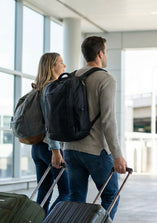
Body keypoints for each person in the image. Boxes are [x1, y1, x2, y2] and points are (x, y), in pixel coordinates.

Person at [62, 36, 128, 220]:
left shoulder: (71, 76)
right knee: (110, 195)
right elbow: (108, 120)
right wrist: (117, 155)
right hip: (96, 150)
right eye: (105, 51)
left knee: (76, 200)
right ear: (100, 53)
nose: (106, 55)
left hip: (70, 149)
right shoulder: (105, 79)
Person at [31, 52, 69, 213]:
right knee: (67, 192)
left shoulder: (38, 88)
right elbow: (50, 122)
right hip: (50, 148)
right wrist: (56, 151)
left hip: (37, 148)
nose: (64, 66)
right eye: (61, 62)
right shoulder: (51, 89)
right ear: (52, 66)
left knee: (44, 192)